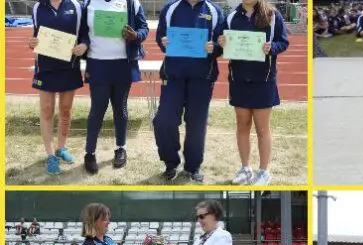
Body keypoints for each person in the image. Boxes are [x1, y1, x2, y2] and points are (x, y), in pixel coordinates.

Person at [219, 0, 289, 186]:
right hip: (239, 79)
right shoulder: (232, 17)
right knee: (242, 124)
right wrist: (221, 42)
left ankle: (264, 171)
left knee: (262, 128)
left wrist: (271, 47)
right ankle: (245, 168)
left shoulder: (273, 15)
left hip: (263, 80)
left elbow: (283, 41)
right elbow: (220, 44)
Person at [154, 0, 225, 182]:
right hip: (173, 77)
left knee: (196, 125)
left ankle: (193, 167)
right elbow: (161, 37)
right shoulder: (170, 9)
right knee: (164, 121)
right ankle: (171, 163)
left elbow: (222, 43)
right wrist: (164, 42)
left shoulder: (214, 11)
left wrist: (215, 48)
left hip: (202, 78)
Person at [78, 0, 148, 174]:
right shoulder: (88, 3)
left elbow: (144, 28)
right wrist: (84, 43)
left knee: (120, 108)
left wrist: (136, 36)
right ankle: (90, 153)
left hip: (123, 65)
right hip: (98, 65)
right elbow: (82, 33)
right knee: (97, 109)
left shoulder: (132, 3)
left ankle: (120, 148)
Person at [28, 0, 86, 174]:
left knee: (66, 109)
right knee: (46, 110)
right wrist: (32, 43)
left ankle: (61, 148)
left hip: (69, 67)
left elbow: (84, 33)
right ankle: (50, 155)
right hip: (46, 68)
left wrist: (84, 45)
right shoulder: (38, 7)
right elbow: (35, 36)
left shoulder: (76, 6)